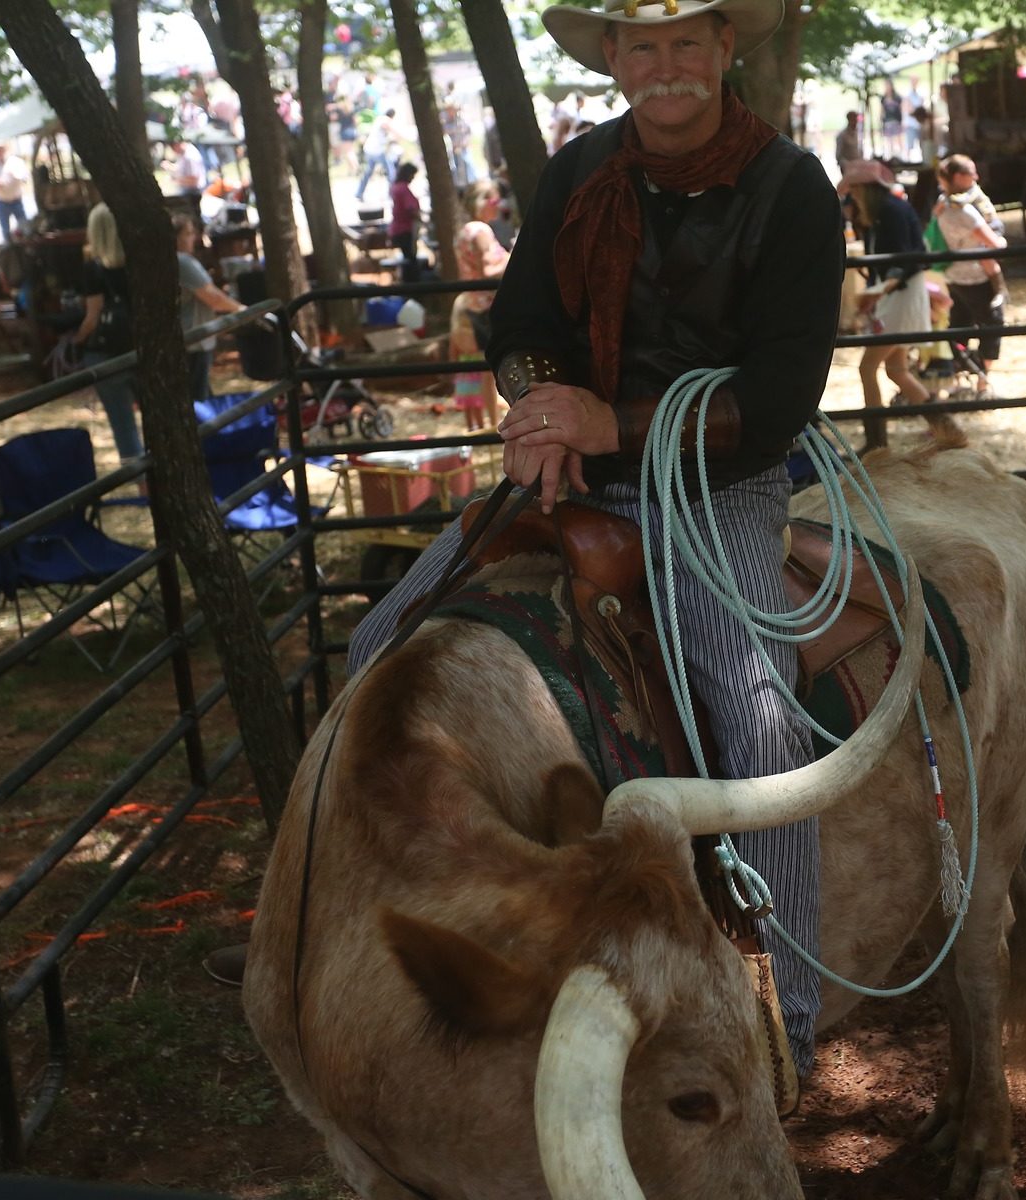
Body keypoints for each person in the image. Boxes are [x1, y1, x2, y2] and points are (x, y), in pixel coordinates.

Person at [340, 0, 845, 1079]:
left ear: (723, 50)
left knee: (758, 725)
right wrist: (541, 403)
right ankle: (374, 927)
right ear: (613, 58)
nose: (665, 66)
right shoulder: (579, 173)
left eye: (685, 42)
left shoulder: (790, 187)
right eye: (642, 45)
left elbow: (784, 387)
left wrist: (611, 422)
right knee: (375, 645)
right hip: (568, 472)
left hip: (722, 485)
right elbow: (520, 328)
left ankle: (790, 1015)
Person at [846, 161, 947, 448]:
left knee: (868, 368)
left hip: (901, 293)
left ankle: (876, 440)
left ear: (867, 188)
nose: (851, 194)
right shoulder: (883, 212)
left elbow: (905, 258)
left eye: (854, 188)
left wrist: (879, 290)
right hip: (897, 292)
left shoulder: (890, 211)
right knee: (896, 370)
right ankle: (944, 427)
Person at [931, 154, 1005, 391]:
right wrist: (1002, 242)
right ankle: (983, 382)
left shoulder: (942, 206)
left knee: (959, 327)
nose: (976, 177)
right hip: (978, 277)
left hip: (953, 276)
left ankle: (955, 379)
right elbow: (993, 242)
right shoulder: (966, 210)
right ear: (958, 177)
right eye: (970, 173)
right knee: (992, 324)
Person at [76, 203, 143, 462]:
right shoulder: (140, 262)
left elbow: (93, 316)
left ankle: (143, 484)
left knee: (122, 423)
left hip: (107, 354)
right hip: (141, 345)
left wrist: (78, 339)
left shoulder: (93, 268)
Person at [449, 182, 511, 432]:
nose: (498, 206)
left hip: (473, 304)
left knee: (485, 367)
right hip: (489, 306)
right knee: (495, 366)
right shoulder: (481, 231)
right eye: (494, 201)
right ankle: (496, 423)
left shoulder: (464, 232)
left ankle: (490, 421)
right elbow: (488, 270)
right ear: (482, 203)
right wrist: (512, 257)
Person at [174, 215, 246, 401]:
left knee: (202, 396)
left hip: (189, 341)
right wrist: (240, 309)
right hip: (194, 341)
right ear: (176, 238)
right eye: (188, 233)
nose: (193, 238)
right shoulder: (183, 262)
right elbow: (213, 297)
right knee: (199, 400)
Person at [0, 144, 30, 243]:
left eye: (1, 149)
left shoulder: (15, 162)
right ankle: (9, 248)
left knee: (24, 227)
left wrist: (14, 176)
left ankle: (27, 245)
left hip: (16, 200)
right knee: (5, 230)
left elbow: (25, 177)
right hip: (1, 201)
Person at [388, 162, 426, 283]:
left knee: (408, 257)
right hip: (405, 229)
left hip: (398, 228)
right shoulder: (403, 189)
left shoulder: (395, 187)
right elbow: (410, 208)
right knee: (411, 258)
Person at [356, 108, 398, 202]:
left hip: (370, 149)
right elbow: (390, 130)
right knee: (391, 173)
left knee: (368, 173)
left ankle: (359, 192)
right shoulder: (384, 120)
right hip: (377, 151)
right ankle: (393, 194)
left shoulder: (379, 119)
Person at [879, 78, 903, 160]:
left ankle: (900, 155)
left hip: (896, 121)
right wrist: (880, 119)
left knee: (898, 138)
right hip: (887, 122)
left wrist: (902, 121)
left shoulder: (897, 97)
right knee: (889, 140)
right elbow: (881, 110)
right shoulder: (883, 98)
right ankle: (890, 155)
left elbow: (901, 109)